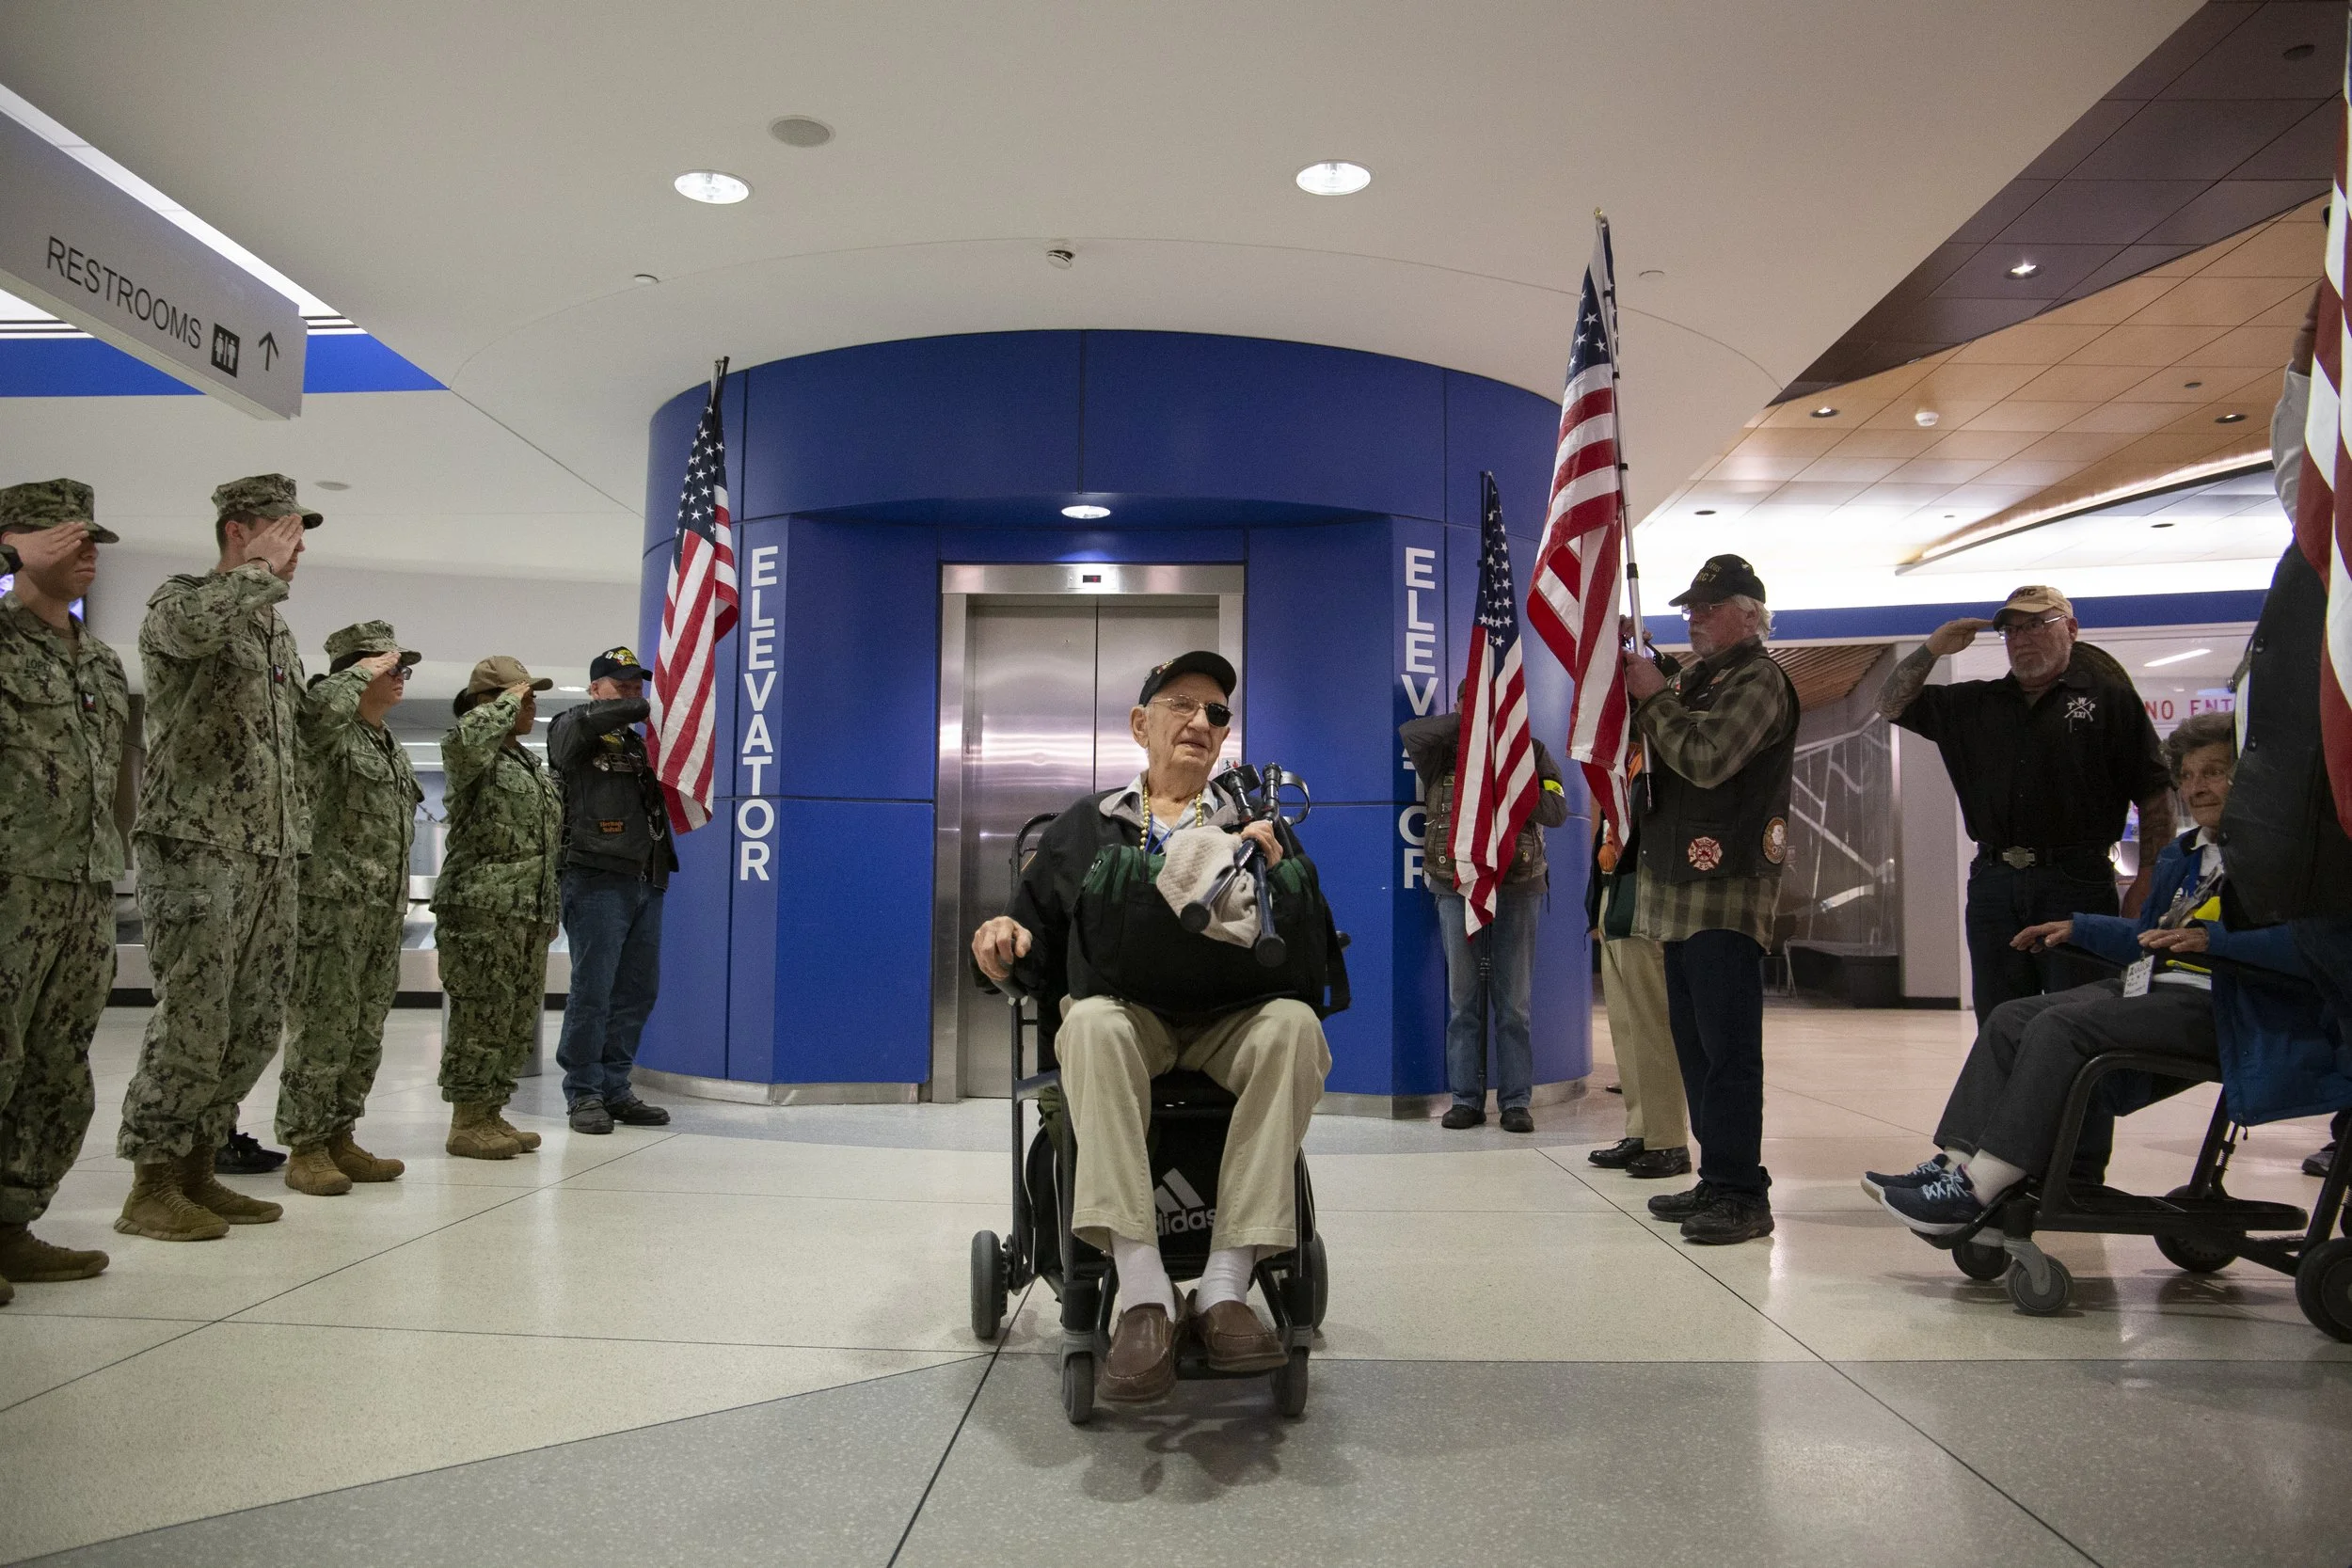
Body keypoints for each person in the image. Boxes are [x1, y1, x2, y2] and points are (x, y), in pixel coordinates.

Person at [971, 652, 1331, 1403]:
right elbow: (1025, 950)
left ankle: (1226, 1287)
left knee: (1294, 1025)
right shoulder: (1086, 828)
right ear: (1141, 724)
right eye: (1182, 705)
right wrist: (1000, 937)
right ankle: (1143, 1293)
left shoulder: (1255, 824)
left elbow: (1309, 952)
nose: (1202, 722)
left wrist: (1284, 878)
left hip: (1231, 1026)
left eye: (1217, 713)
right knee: (1092, 1023)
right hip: (1131, 1027)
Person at [1866, 713, 2339, 1231]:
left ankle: (1983, 1186)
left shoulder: (2290, 860)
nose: (2198, 787)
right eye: (2188, 775)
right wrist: (2078, 926)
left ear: (2246, 778)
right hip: (2156, 990)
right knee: (2010, 1017)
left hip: (2226, 1003)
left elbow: (2319, 949)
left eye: (2215, 772)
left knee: (2061, 1026)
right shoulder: (2184, 856)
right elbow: (2148, 935)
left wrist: (2214, 940)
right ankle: (1955, 1166)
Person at [115, 474, 321, 1243]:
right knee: (194, 1019)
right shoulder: (181, 600)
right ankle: (153, 1183)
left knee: (254, 1022)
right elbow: (190, 631)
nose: (297, 551)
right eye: (284, 532)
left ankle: (200, 1168)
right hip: (195, 846)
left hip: (269, 850)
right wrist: (256, 577)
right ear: (239, 531)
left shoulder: (272, 630)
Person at [1874, 585, 2173, 1029]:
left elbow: (2154, 794)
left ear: (2070, 629)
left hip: (2077, 880)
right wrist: (1934, 648)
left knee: (2080, 1018)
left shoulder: (2109, 701)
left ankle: (2077, 1101)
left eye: (2037, 624)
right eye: (2011, 630)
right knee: (1999, 1020)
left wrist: (2149, 880)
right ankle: (2007, 1099)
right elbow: (1891, 704)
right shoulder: (1975, 704)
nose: (2022, 637)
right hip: (1995, 882)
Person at [1618, 554, 1797, 1245]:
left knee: (1727, 1047)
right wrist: (1643, 660)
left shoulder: (1760, 679)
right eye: (1690, 605)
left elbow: (1706, 754)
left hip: (1727, 889)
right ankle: (1717, 1173)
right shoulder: (1707, 674)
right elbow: (1677, 694)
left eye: (1708, 606)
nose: (1693, 615)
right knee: (1694, 1044)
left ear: (1748, 613)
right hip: (1682, 887)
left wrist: (1653, 692)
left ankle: (1742, 1190)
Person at [0, 481, 126, 1301]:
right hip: (11, 881)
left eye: (91, 539)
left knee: (56, 1066)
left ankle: (12, 1223)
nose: (84, 550)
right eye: (64, 535)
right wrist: (7, 562)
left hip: (83, 885)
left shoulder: (102, 660)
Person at [274, 622, 424, 1196]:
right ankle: (306, 1146)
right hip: (330, 908)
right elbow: (313, 721)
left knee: (364, 1033)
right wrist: (356, 672)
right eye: (393, 667)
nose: (402, 678)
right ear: (358, 671)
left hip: (380, 911)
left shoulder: (385, 742)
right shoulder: (326, 731)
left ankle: (340, 1135)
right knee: (322, 1030)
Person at [1399, 683, 1569, 1133]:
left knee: (1514, 1005)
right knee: (1463, 1002)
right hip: (1456, 884)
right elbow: (1410, 731)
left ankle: (1516, 1102)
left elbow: (1556, 810)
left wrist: (1512, 766)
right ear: (1459, 706)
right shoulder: (1441, 750)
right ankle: (1465, 1100)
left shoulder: (1531, 750)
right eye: (1469, 703)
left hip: (1519, 885)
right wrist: (1472, 721)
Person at [433, 657, 563, 1159]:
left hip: (526, 912)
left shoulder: (527, 762)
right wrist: (501, 704)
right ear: (489, 702)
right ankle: (466, 1120)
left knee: (513, 1017)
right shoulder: (470, 752)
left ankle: (491, 1112)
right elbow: (466, 742)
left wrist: (547, 910)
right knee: (480, 1015)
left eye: (530, 697)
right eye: (522, 696)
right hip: (481, 908)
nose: (531, 705)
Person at [548, 645, 676, 1135]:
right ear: (594, 689)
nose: (630, 690)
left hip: (646, 877)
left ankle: (615, 1087)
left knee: (637, 991)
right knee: (593, 991)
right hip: (596, 876)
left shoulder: (635, 744)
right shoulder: (571, 725)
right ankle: (583, 1092)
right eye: (618, 683)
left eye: (635, 683)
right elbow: (579, 733)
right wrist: (655, 702)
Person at [1583, 813, 1691, 1179]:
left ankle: (1668, 1139)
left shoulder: (1649, 761)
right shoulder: (1621, 767)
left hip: (1646, 891)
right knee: (1626, 1025)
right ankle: (1642, 1129)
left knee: (1652, 1024)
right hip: (1615, 890)